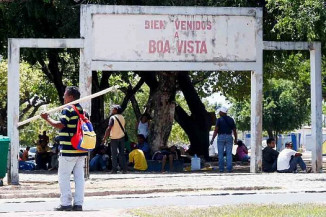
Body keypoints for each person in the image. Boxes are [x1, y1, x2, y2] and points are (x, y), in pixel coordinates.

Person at [40, 86, 87, 211]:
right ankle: (78, 204)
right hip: (81, 149)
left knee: (63, 176)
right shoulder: (81, 110)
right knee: (79, 177)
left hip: (68, 149)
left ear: (70, 97)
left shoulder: (68, 109)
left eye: (65, 95)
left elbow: (60, 124)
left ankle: (65, 203)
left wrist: (47, 118)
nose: (63, 97)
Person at [210, 106, 237, 172]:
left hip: (221, 137)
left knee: (220, 154)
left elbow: (216, 130)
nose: (219, 113)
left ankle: (221, 169)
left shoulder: (219, 120)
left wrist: (212, 139)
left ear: (222, 112)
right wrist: (235, 139)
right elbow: (234, 130)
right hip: (229, 137)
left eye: (220, 112)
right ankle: (229, 169)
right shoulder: (231, 119)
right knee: (229, 154)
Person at [102, 105, 127, 174]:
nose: (112, 110)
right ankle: (124, 169)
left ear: (116, 110)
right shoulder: (122, 117)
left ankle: (114, 169)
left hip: (114, 138)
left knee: (114, 154)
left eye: (113, 109)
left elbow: (109, 128)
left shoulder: (112, 118)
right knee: (122, 154)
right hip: (122, 137)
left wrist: (105, 138)